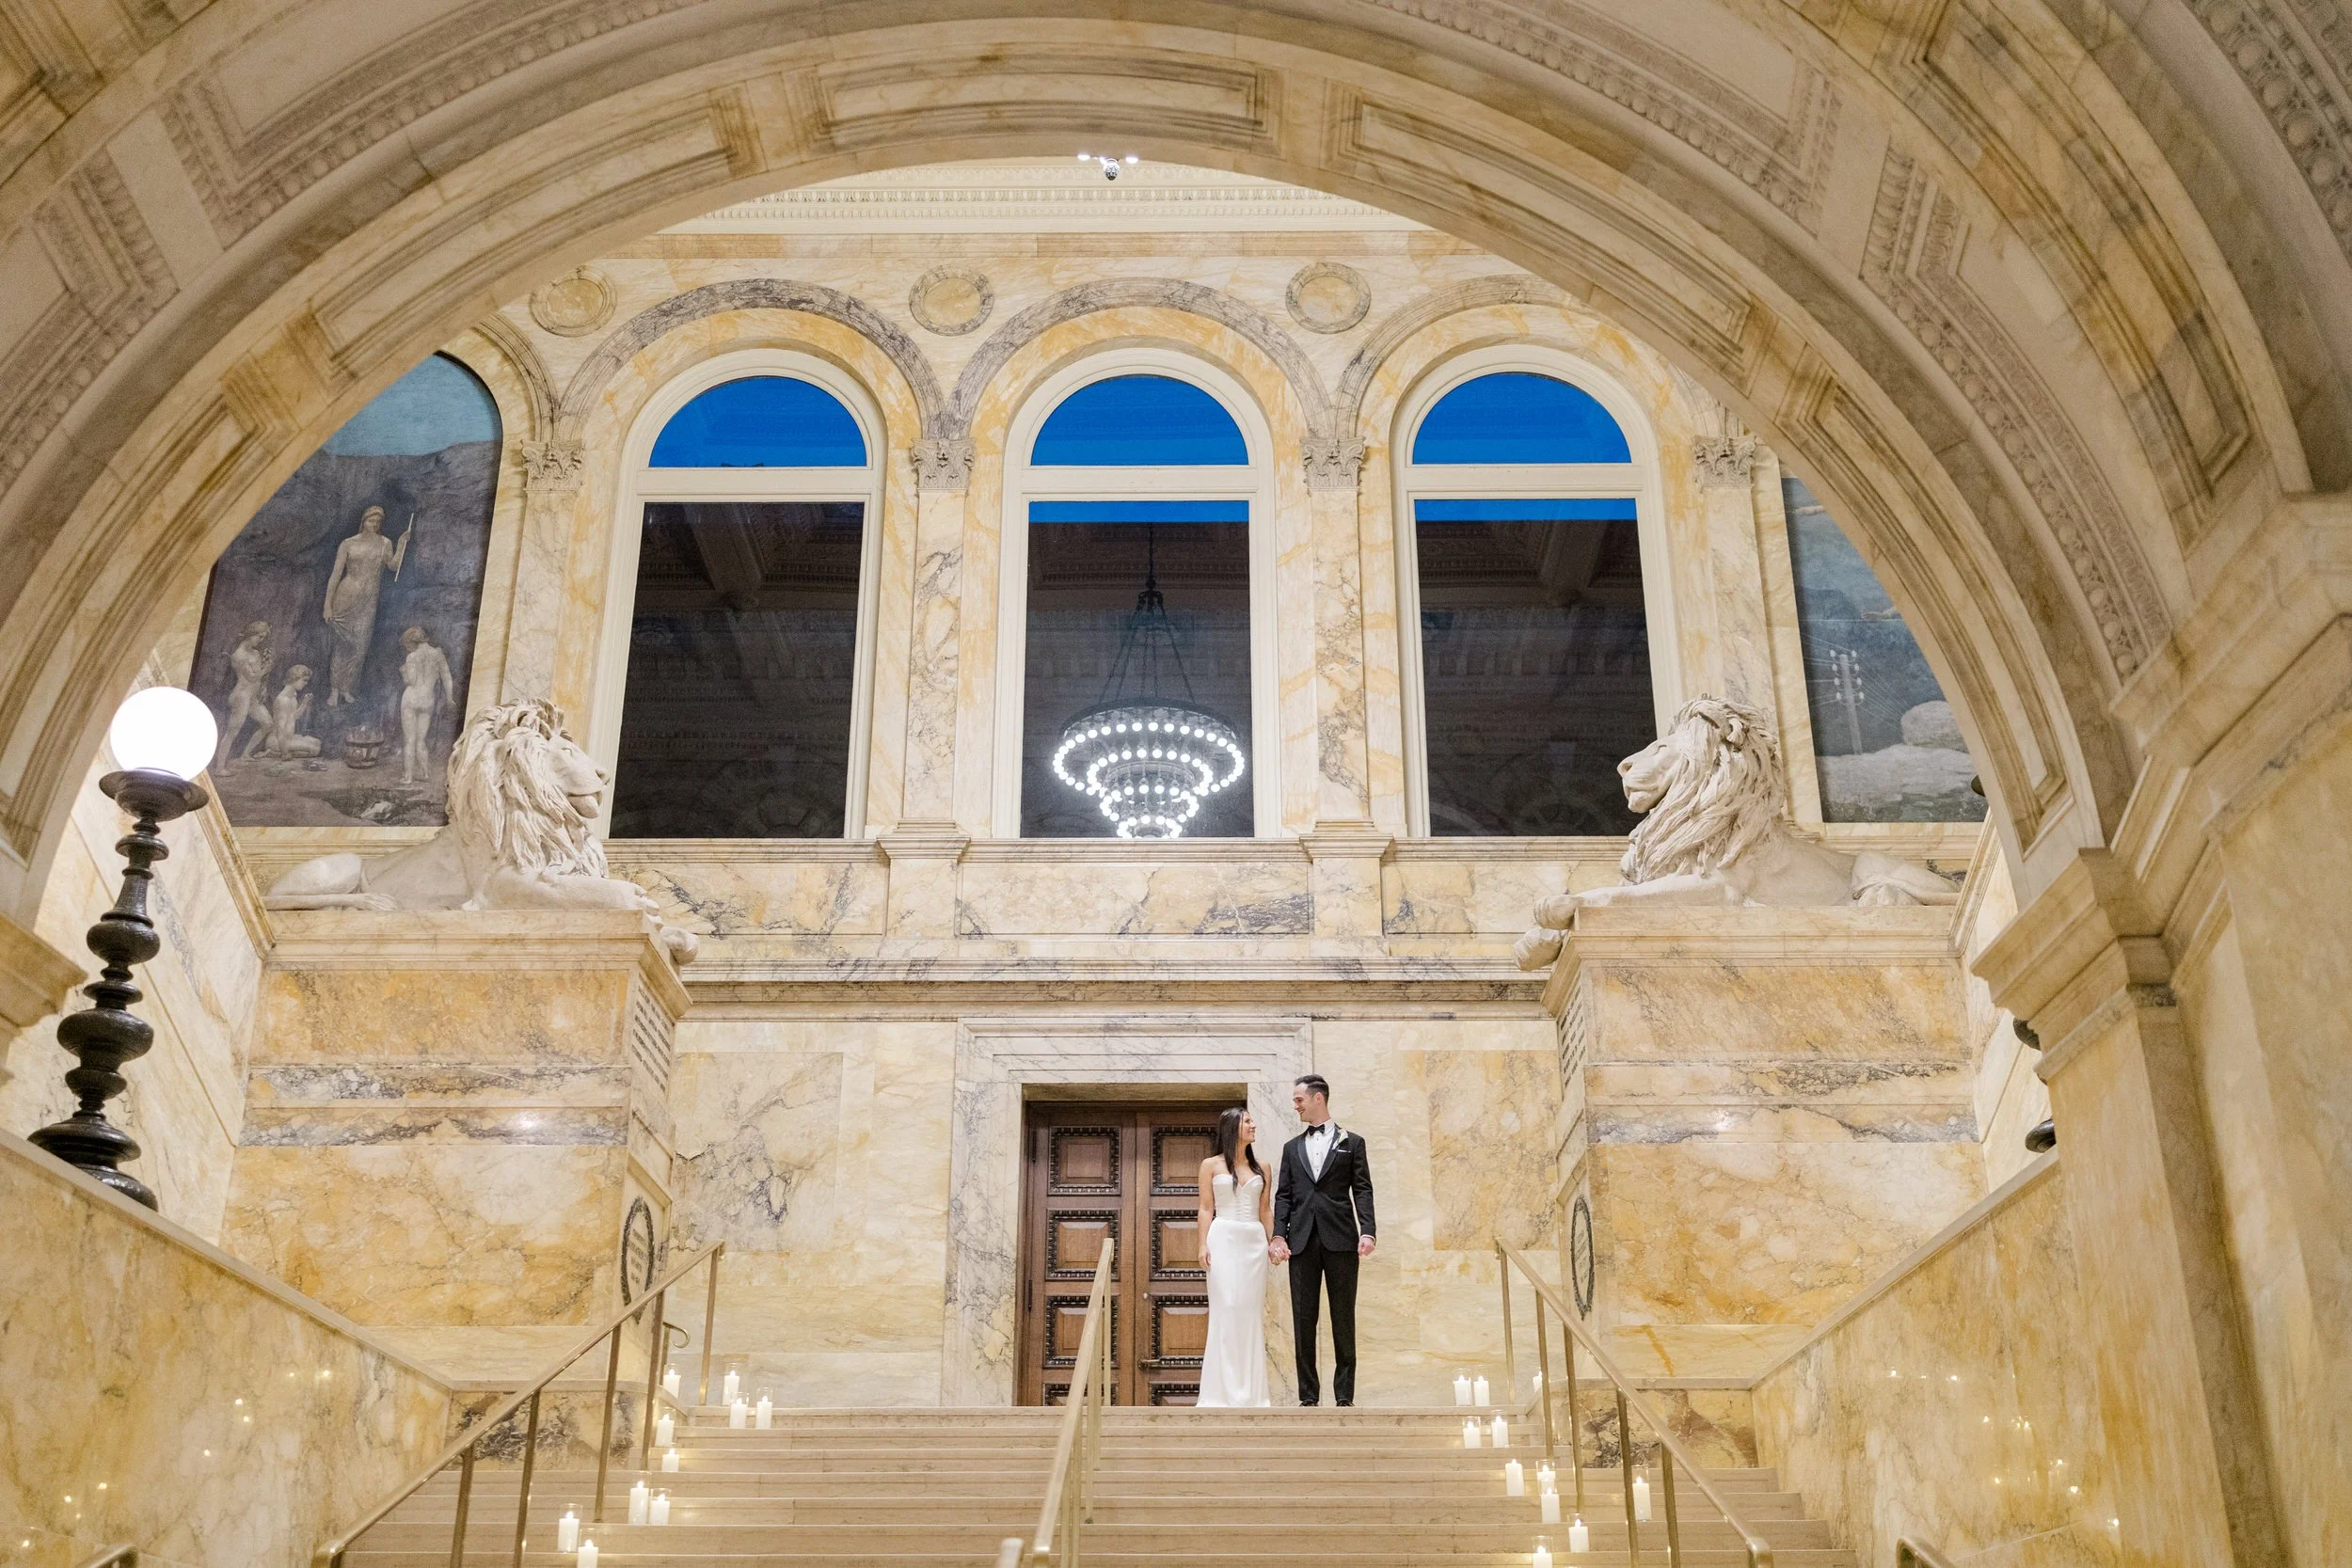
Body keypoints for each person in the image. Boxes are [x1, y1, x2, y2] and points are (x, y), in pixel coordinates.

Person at [1272, 1073, 1376, 1406]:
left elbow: (1362, 1189)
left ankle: (1344, 1396)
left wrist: (1368, 1230)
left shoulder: (1353, 1143)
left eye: (1299, 1100)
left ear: (1318, 1098)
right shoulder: (1291, 1148)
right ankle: (1308, 1397)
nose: (1295, 1106)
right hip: (1300, 1242)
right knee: (1304, 1319)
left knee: (1343, 1317)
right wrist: (1278, 1233)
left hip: (1341, 1239)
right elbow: (1283, 1196)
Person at [1194, 1106, 1273, 1407]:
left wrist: (1273, 1241)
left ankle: (1253, 1396)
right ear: (1232, 1128)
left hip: (1253, 1242)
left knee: (1249, 1314)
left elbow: (1265, 1210)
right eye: (1248, 1121)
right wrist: (1202, 1245)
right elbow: (1205, 1208)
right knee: (1226, 1309)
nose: (1254, 1125)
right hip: (1222, 1238)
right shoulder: (1210, 1165)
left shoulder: (1263, 1167)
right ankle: (1219, 1395)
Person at [320, 504, 410, 707]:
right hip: (345, 596)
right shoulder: (348, 544)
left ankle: (347, 688)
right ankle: (335, 689)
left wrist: (402, 543)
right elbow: (336, 575)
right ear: (364, 521)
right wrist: (328, 604)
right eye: (372, 520)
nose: (375, 525)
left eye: (378, 522)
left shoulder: (385, 543)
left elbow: (393, 565)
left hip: (368, 600)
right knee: (343, 645)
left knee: (360, 646)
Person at [396, 626, 454, 784]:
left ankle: (408, 777)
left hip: (411, 700)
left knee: (409, 740)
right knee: (421, 740)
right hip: (428, 700)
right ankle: (425, 773)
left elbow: (411, 681)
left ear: (412, 641)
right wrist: (450, 699)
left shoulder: (412, 657)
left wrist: (403, 672)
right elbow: (447, 677)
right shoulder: (438, 654)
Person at [215, 620, 274, 768]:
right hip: (241, 696)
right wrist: (267, 668)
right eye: (259, 637)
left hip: (252, 697)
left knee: (267, 723)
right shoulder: (239, 655)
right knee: (232, 732)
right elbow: (252, 677)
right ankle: (220, 767)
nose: (261, 641)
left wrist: (263, 689)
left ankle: (246, 754)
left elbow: (260, 679)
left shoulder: (255, 653)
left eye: (263, 638)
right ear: (250, 634)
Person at [253, 666, 323, 759]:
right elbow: (280, 730)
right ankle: (274, 752)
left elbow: (295, 716)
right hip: (278, 740)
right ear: (295, 678)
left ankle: (278, 752)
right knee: (315, 749)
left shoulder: (293, 696)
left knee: (318, 743)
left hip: (288, 737)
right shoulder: (283, 700)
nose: (306, 684)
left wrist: (304, 703)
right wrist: (284, 752)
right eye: (304, 680)